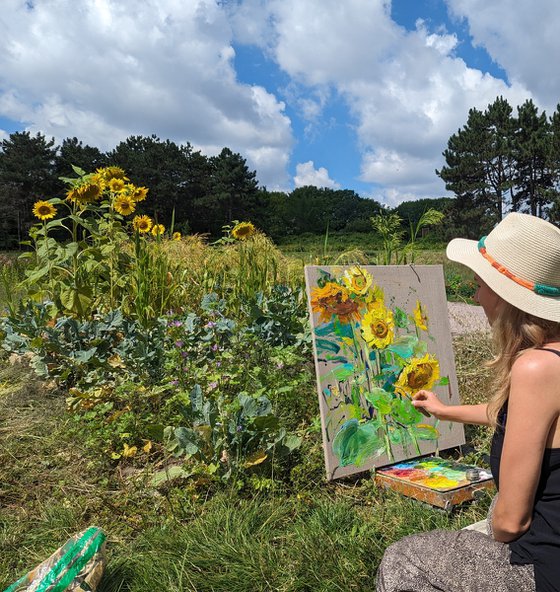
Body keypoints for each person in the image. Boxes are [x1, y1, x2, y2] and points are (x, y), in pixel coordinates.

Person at [376, 212, 560, 592]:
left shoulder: (536, 367)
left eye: (479, 285)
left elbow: (512, 522)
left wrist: (480, 540)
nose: (475, 296)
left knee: (403, 558)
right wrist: (443, 410)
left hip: (546, 566)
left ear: (508, 296)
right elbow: (515, 419)